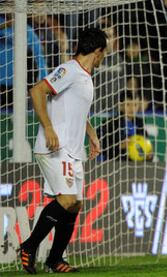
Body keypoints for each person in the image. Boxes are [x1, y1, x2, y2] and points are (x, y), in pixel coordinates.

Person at [19, 28, 108, 274]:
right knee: (67, 200)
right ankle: (29, 246)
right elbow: (37, 90)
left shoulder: (84, 76)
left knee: (74, 204)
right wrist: (48, 128)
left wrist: (91, 135)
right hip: (55, 147)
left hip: (71, 150)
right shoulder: (70, 70)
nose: (103, 59)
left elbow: (76, 110)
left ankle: (55, 259)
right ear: (98, 51)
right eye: (104, 54)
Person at [98, 91, 151, 161]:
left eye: (135, 105)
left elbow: (145, 142)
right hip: (115, 163)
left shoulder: (140, 123)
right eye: (128, 104)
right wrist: (120, 146)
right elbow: (100, 145)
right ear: (121, 106)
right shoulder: (110, 123)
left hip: (136, 164)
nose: (132, 108)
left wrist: (147, 153)